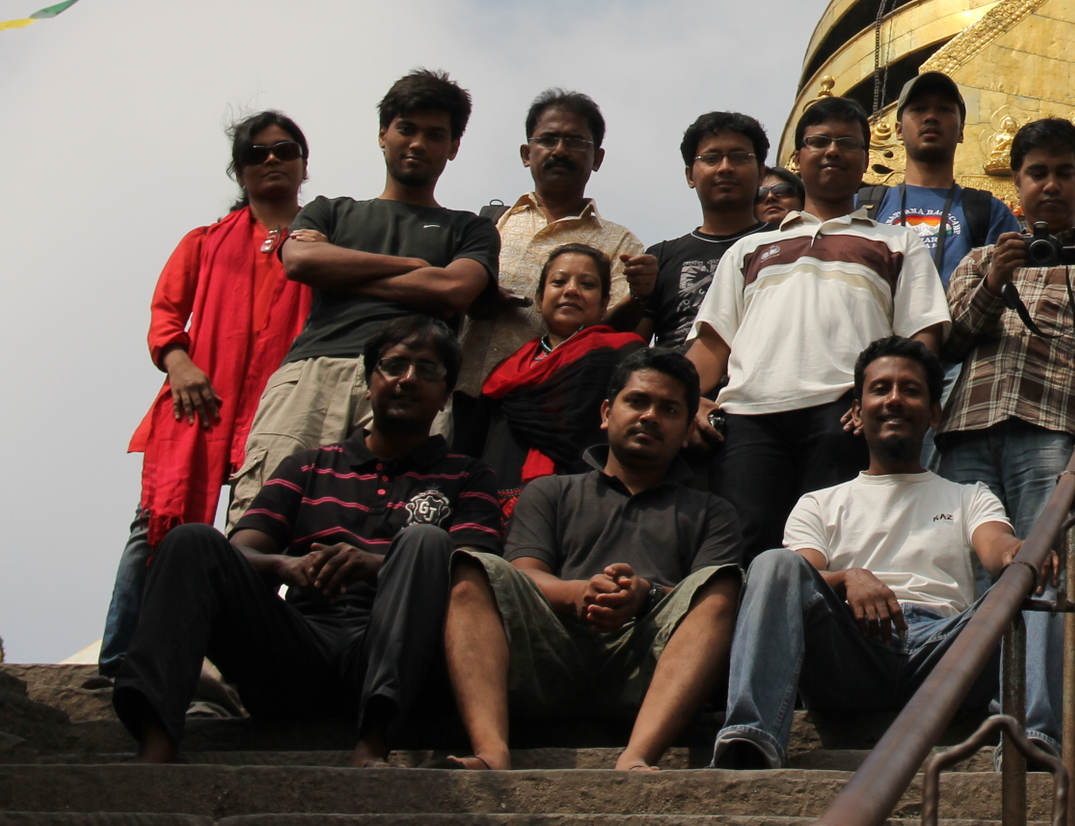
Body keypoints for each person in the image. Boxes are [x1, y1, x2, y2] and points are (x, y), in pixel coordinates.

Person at [113, 315, 502, 765]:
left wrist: (373, 563)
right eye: (394, 366)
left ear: (445, 396)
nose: (408, 379)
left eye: (428, 370)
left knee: (427, 541)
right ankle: (156, 742)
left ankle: (373, 745)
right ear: (368, 379)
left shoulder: (467, 475)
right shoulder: (309, 466)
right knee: (192, 541)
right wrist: (285, 566)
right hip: (294, 654)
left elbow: (479, 566)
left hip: (399, 663)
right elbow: (241, 552)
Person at [714, 337, 1045, 768]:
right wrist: (850, 578)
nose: (894, 400)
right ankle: (748, 740)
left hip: (945, 653)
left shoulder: (969, 497)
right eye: (880, 389)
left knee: (1035, 574)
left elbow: (996, 545)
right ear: (857, 408)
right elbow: (796, 578)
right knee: (773, 562)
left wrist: (1019, 551)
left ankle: (1030, 745)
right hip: (851, 651)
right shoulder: (820, 503)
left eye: (910, 390)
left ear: (934, 412)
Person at [938, 116, 1075, 751]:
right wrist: (992, 285)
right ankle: (975, 714)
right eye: (1038, 173)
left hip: (1057, 431)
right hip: (969, 430)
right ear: (1017, 183)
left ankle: (1036, 724)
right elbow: (947, 340)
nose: (1052, 185)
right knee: (971, 574)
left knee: (1046, 575)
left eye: (1065, 172)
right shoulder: (980, 258)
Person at [443, 345, 742, 770]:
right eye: (636, 401)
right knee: (474, 566)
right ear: (606, 412)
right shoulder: (550, 492)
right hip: (551, 656)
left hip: (648, 669)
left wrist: (646, 594)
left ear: (685, 428)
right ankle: (491, 752)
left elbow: (711, 608)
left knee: (724, 580)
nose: (650, 416)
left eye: (669, 410)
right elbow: (524, 574)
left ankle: (637, 757)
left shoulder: (713, 512)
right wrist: (579, 593)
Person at [97, 112, 315, 686]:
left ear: (303, 164)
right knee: (157, 522)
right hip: (199, 399)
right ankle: (123, 659)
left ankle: (236, 665)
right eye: (256, 153)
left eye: (284, 149)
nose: (271, 159)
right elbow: (165, 313)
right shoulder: (204, 242)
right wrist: (180, 363)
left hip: (280, 407)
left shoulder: (321, 243)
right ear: (239, 171)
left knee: (266, 526)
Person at [688, 97, 949, 559]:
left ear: (868, 160)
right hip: (749, 418)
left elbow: (921, 335)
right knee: (742, 548)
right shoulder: (752, 249)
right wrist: (685, 400)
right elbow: (713, 343)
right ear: (796, 157)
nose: (832, 151)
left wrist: (885, 396)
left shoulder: (894, 241)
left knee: (836, 552)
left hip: (842, 414)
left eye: (847, 143)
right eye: (819, 142)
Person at [232, 71, 499, 517]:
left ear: (453, 148)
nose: (417, 143)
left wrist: (341, 269)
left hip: (415, 379)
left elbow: (454, 290)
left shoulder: (470, 228)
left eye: (435, 134)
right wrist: (415, 270)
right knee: (263, 515)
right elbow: (299, 262)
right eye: (406, 129)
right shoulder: (331, 210)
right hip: (315, 371)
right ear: (382, 134)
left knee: (392, 531)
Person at [466, 92, 654, 447]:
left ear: (597, 158)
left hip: (553, 415)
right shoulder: (490, 224)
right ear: (527, 153)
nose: (560, 151)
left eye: (575, 141)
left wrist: (639, 297)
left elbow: (615, 337)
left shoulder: (621, 244)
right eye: (548, 139)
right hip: (465, 395)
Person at [479, 246, 645, 508]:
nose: (571, 290)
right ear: (540, 296)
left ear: (604, 303)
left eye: (587, 284)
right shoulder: (510, 369)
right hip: (502, 499)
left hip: (589, 499)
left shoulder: (622, 354)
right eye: (559, 281)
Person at [864, 71, 1020, 294]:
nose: (931, 117)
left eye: (944, 109)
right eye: (918, 109)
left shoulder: (991, 213)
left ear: (961, 132)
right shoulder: (864, 207)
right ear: (898, 130)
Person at [647, 112, 772, 353]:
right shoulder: (661, 257)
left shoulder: (789, 242)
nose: (726, 168)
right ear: (689, 175)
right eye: (711, 158)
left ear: (761, 173)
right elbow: (633, 340)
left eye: (739, 157)